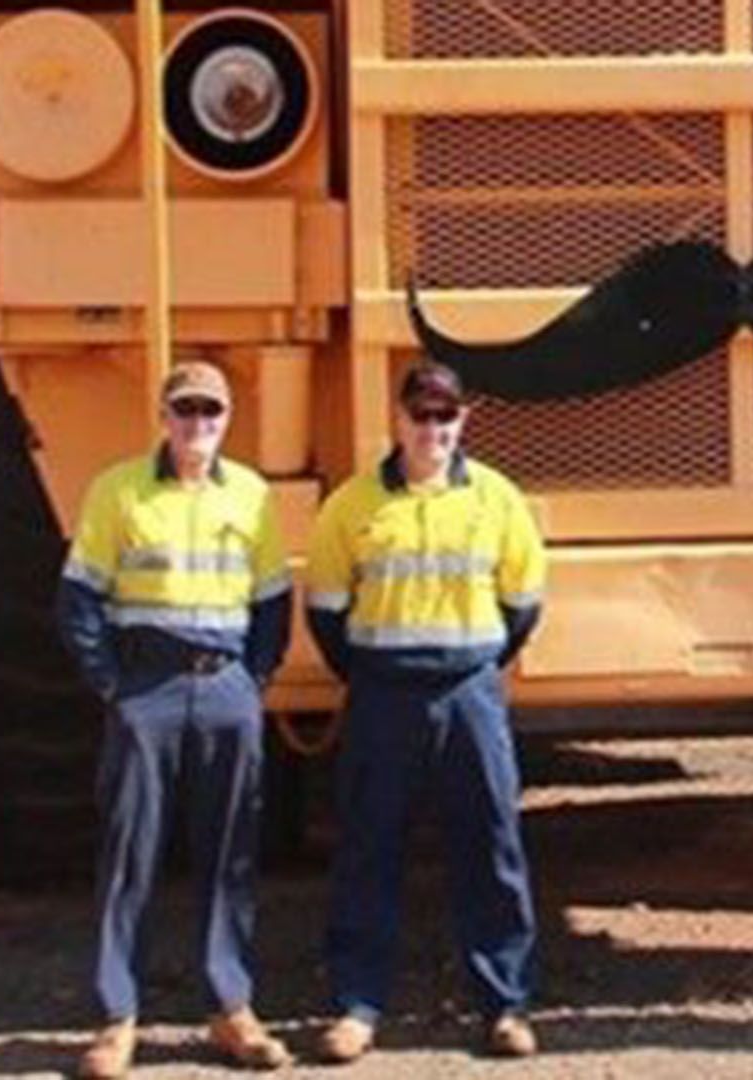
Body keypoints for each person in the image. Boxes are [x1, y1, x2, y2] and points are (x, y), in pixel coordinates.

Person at [55, 361, 293, 1078]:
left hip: (224, 687)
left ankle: (231, 1007)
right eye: (185, 410)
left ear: (226, 420)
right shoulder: (118, 490)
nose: (198, 425)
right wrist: (111, 685)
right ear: (164, 416)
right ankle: (116, 1018)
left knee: (230, 853)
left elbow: (272, 601)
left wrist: (250, 684)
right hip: (148, 688)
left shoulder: (251, 495)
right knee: (131, 853)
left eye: (210, 413)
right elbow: (79, 599)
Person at [307, 362, 547, 1061]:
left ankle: (505, 1005)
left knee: (492, 846)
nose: (433, 430)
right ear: (398, 420)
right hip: (382, 693)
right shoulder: (351, 507)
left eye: (446, 417)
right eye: (421, 416)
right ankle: (357, 1006)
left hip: (470, 691)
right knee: (367, 848)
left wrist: (473, 663)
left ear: (463, 420)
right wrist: (376, 671)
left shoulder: (496, 500)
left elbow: (523, 601)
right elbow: (326, 608)